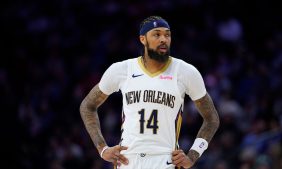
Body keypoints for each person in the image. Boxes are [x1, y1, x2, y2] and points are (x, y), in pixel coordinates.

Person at [79, 15, 220, 169]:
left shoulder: (186, 72)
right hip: (127, 161)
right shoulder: (122, 70)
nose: (163, 39)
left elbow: (211, 118)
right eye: (157, 34)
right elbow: (87, 106)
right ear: (143, 39)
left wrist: (193, 155)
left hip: (166, 160)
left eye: (167, 35)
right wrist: (102, 149)